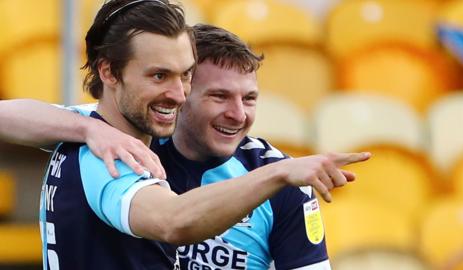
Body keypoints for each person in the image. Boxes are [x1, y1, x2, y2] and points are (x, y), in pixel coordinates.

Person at [0, 1, 371, 269]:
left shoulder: (95, 131)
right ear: (110, 73)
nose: (177, 92)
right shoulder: (108, 153)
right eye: (159, 76)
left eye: (185, 76)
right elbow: (173, 221)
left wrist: (86, 128)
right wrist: (277, 176)